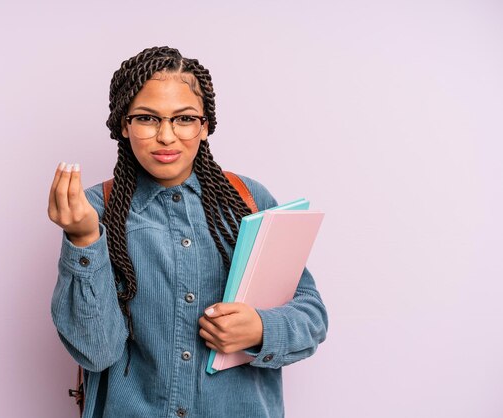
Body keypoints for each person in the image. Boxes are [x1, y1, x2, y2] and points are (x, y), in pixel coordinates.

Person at [48, 46, 328, 418]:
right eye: (147, 118)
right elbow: (95, 350)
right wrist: (84, 239)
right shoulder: (95, 211)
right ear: (123, 125)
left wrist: (261, 329)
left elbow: (312, 314)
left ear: (205, 125)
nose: (166, 136)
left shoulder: (250, 199)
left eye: (184, 119)